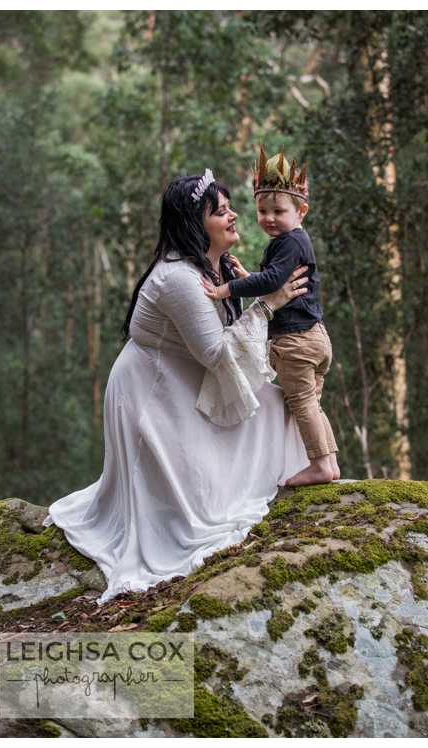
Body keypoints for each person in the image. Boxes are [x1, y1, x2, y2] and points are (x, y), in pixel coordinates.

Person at [45, 170, 311, 605]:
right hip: (153, 394)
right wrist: (270, 303)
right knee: (194, 512)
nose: (235, 216)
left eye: (229, 208)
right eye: (221, 211)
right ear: (194, 223)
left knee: (281, 410)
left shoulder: (217, 267)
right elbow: (217, 354)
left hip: (190, 381)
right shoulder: (179, 279)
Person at [203, 146, 339, 486]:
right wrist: (246, 275)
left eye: (278, 210)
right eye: (263, 210)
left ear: (301, 210)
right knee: (310, 403)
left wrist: (225, 290)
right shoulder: (292, 242)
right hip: (315, 338)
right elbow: (275, 282)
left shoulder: (289, 241)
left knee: (302, 402)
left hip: (295, 340)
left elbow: (273, 282)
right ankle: (331, 465)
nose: (269, 218)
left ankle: (320, 465)